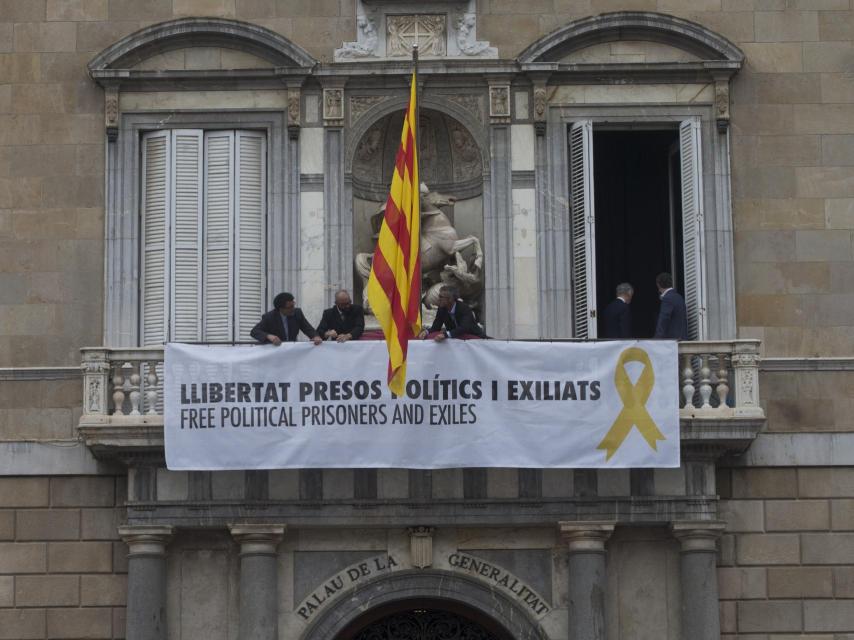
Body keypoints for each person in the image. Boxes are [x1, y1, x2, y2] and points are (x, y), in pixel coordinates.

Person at [250, 292, 322, 345]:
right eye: (289, 307)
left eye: (293, 305)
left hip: (291, 350)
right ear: (280, 309)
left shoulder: (297, 313)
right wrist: (268, 336)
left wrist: (315, 336)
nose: (293, 309)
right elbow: (254, 331)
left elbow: (307, 328)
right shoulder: (269, 317)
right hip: (276, 351)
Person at [420, 285, 485, 341]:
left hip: (474, 339)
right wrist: (426, 332)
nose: (438, 299)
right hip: (455, 341)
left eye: (441, 297)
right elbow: (436, 327)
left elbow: (464, 328)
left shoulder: (464, 308)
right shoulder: (441, 309)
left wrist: (446, 335)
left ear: (450, 299)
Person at [654, 272, 688, 340]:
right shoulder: (679, 297)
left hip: (672, 342)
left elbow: (664, 320)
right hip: (681, 339)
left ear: (658, 285)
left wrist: (657, 339)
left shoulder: (668, 298)